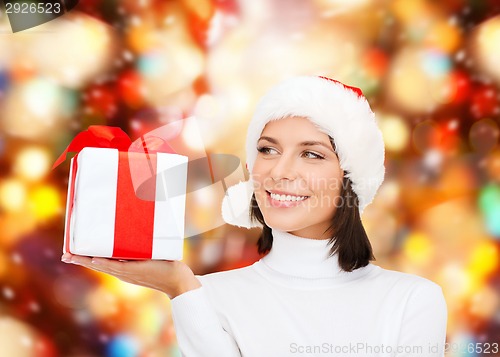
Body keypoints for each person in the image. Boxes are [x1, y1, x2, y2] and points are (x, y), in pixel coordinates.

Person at [62, 75, 448, 357]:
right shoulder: (204, 297)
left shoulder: (411, 300)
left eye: (312, 154)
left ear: (350, 180)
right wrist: (182, 290)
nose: (280, 171)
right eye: (267, 150)